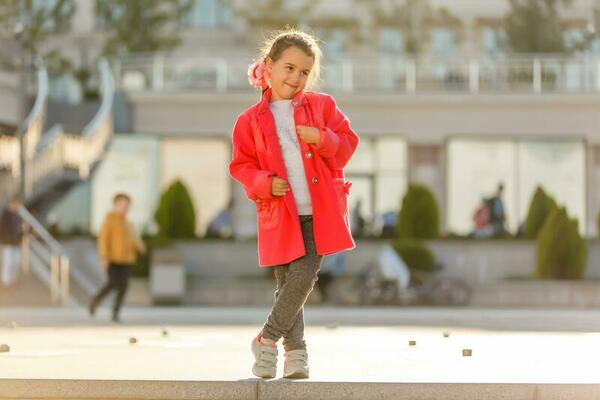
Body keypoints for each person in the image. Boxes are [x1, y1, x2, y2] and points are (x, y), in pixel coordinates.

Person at [229, 29, 359, 380]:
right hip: (280, 213)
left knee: (305, 274)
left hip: (320, 211)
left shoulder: (322, 106)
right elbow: (241, 165)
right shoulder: (249, 121)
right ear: (269, 67)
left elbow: (348, 143)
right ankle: (296, 355)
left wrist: (324, 138)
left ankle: (267, 337)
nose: (296, 78)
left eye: (304, 72)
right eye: (288, 68)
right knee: (288, 283)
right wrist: (263, 183)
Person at [89, 193, 146, 323]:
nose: (125, 207)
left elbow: (133, 239)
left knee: (124, 287)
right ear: (116, 205)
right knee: (113, 283)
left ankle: (116, 312)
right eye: (122, 204)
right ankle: (96, 300)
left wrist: (140, 246)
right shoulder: (109, 220)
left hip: (127, 260)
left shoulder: (128, 223)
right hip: (113, 259)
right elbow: (103, 239)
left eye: (127, 205)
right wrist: (104, 257)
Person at [0, 196, 23, 288]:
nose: (18, 206)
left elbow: (19, 229)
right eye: (17, 204)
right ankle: (6, 282)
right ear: (12, 203)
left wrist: (21, 236)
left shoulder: (17, 215)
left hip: (16, 242)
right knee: (8, 262)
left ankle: (12, 280)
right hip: (7, 242)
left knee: (16, 262)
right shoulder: (5, 214)